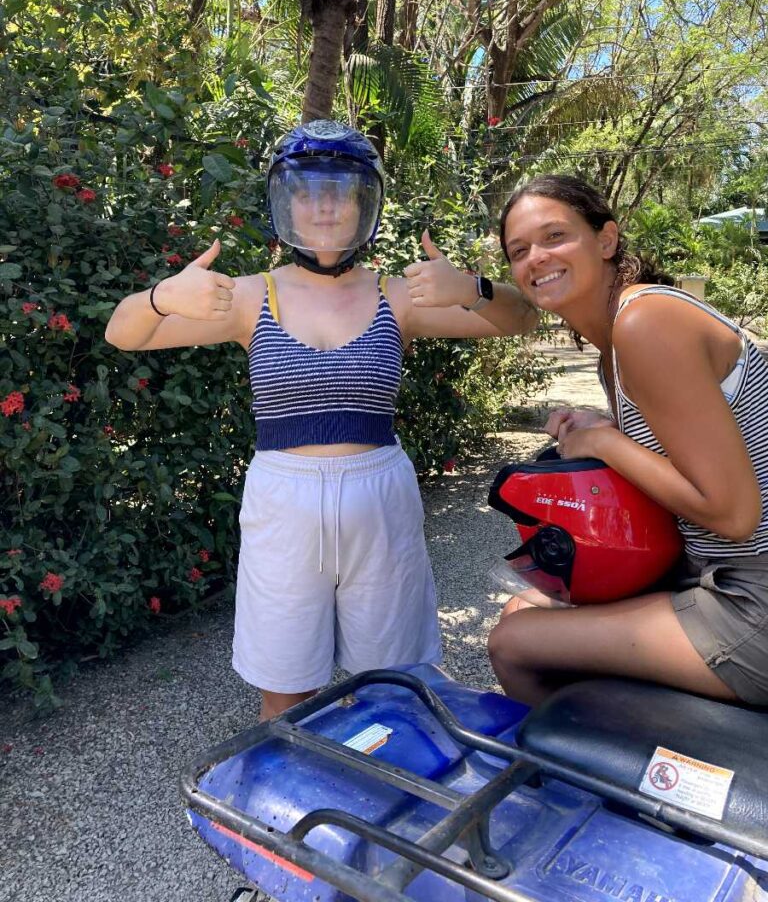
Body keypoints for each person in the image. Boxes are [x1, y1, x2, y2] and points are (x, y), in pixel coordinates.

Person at [105, 120, 538, 718]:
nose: (326, 205)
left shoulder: (399, 294)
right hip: (284, 500)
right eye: (308, 190)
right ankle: (289, 808)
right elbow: (122, 334)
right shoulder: (252, 295)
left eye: (341, 190)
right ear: (285, 201)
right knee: (285, 691)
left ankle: (387, 801)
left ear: (366, 203)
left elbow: (522, 320)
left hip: (379, 494)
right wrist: (161, 298)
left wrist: (474, 286)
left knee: (392, 686)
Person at [463, 173, 768, 707]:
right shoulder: (615, 343)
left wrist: (604, 446)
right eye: (519, 249)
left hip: (752, 598)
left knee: (513, 644)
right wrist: (603, 430)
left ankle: (583, 788)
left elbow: (734, 514)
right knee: (521, 610)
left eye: (555, 236)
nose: (536, 257)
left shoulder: (645, 322)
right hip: (712, 572)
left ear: (606, 240)